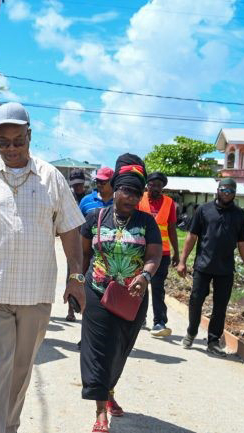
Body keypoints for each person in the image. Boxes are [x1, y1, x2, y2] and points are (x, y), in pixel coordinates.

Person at [0, 102, 85, 433]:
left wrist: (76, 277)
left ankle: (8, 427)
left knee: (20, 370)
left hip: (36, 294)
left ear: (30, 136)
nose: (11, 149)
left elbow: (70, 230)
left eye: (19, 141)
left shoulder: (51, 178)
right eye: (4, 143)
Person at [79, 154, 162, 433]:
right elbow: (83, 255)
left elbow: (153, 255)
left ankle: (110, 389)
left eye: (137, 193)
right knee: (98, 351)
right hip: (97, 291)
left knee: (119, 351)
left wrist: (145, 275)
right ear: (115, 189)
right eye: (126, 190)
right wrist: (77, 283)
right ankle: (100, 411)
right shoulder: (95, 217)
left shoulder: (147, 222)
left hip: (132, 296)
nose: (131, 197)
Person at [177, 178, 244, 357]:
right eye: (224, 190)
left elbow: (243, 243)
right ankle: (191, 332)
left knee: (220, 306)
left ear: (235, 193)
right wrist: (182, 261)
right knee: (196, 300)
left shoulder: (239, 214)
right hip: (203, 266)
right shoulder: (203, 210)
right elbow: (191, 236)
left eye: (230, 191)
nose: (226, 194)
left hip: (225, 269)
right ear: (218, 190)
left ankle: (213, 341)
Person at [137, 172, 180, 337]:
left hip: (162, 253)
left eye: (159, 185)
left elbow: (171, 229)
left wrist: (176, 252)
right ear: (147, 185)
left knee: (158, 287)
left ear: (163, 187)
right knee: (141, 285)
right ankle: (140, 318)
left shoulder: (169, 203)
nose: (156, 188)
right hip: (141, 251)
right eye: (152, 185)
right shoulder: (139, 200)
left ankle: (159, 322)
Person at [66, 169, 88, 322]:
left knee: (86, 276)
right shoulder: (68, 197)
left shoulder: (89, 198)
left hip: (88, 243)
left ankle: (85, 308)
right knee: (72, 275)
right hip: (74, 243)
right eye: (74, 185)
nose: (77, 187)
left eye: (79, 184)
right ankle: (70, 310)